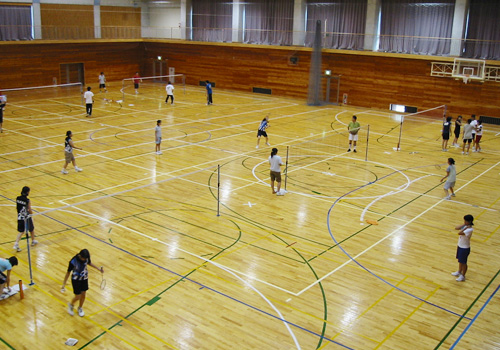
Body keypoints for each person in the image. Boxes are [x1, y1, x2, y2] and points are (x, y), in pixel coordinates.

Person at [61, 249, 103, 317]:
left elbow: (89, 263)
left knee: (83, 294)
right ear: (80, 256)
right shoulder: (73, 261)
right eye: (84, 258)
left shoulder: (86, 258)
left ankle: (80, 308)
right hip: (76, 280)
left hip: (84, 278)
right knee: (78, 296)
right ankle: (71, 305)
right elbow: (68, 272)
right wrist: (64, 284)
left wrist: (98, 269)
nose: (85, 259)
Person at [14, 186, 38, 252]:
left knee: (30, 228)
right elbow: (29, 210)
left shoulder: (18, 198)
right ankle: (16, 244)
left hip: (20, 216)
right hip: (26, 217)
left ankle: (33, 240)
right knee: (23, 231)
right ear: (27, 192)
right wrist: (32, 214)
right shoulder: (27, 200)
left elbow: (17, 207)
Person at [451, 214, 474, 282]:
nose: (464, 222)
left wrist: (465, 227)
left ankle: (463, 275)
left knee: (463, 262)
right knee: (460, 261)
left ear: (469, 221)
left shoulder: (469, 229)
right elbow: (456, 228)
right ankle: (459, 271)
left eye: (466, 221)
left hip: (465, 248)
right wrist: (464, 225)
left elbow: (460, 233)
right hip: (460, 246)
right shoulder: (466, 226)